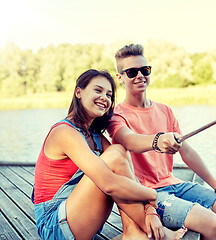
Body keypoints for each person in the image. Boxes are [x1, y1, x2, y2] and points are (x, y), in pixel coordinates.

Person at [107, 44, 216, 240]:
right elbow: (130, 141)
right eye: (131, 72)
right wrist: (158, 140)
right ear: (120, 78)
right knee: (212, 224)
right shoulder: (116, 115)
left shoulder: (165, 110)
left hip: (173, 184)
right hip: (149, 194)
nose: (139, 75)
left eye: (144, 70)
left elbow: (187, 152)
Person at [32, 69, 187, 240]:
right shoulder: (64, 132)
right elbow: (109, 184)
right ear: (78, 92)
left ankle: (132, 232)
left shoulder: (96, 137)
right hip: (54, 224)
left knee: (118, 151)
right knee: (114, 157)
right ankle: (148, 232)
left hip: (76, 217)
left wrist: (151, 209)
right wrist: (152, 195)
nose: (105, 98)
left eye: (109, 95)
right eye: (98, 90)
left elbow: (126, 173)